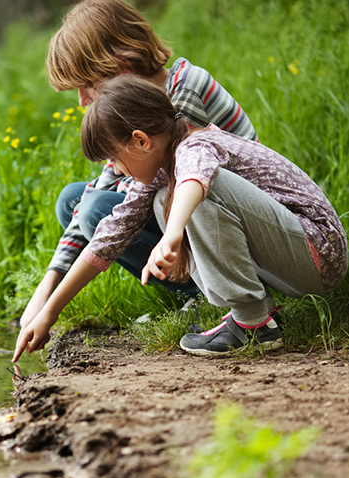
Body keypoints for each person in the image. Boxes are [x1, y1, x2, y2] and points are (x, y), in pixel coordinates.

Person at [12, 75, 348, 361]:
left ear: (141, 141)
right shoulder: (160, 169)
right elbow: (108, 237)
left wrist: (172, 234)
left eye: (114, 159)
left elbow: (194, 183)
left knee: (193, 193)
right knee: (162, 199)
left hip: (318, 253)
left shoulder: (196, 145)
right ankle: (260, 314)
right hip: (289, 260)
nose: (114, 170)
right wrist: (49, 311)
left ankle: (253, 323)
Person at [19, 0, 261, 329]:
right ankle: (195, 292)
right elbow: (105, 184)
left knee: (95, 210)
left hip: (237, 228)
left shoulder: (181, 93)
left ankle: (214, 291)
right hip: (186, 212)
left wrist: (53, 307)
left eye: (87, 84)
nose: (82, 100)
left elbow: (137, 199)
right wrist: (46, 288)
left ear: (121, 67)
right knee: (74, 201)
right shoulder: (132, 109)